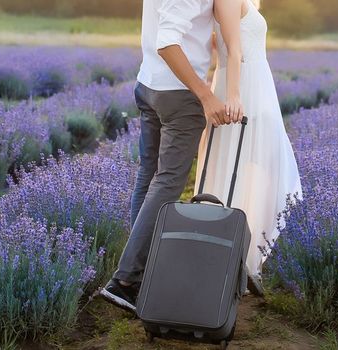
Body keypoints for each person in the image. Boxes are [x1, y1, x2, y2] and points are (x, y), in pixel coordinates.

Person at [100, 0, 236, 313]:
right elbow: (167, 43)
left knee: (149, 178)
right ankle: (124, 281)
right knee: (167, 183)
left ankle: (137, 272)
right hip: (178, 95)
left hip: (149, 84)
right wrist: (205, 95)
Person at [193, 0, 302, 294]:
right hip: (244, 88)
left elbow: (220, 42)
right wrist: (233, 95)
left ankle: (248, 258)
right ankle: (228, 259)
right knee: (235, 169)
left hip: (258, 85)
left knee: (259, 171)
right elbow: (234, 49)